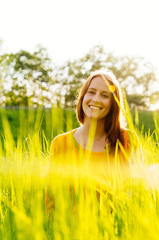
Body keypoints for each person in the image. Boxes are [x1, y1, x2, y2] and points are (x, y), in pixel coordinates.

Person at [45, 69, 143, 216]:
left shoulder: (128, 141)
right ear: (83, 97)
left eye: (104, 95)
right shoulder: (61, 143)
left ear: (113, 103)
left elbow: (139, 195)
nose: (96, 99)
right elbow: (51, 202)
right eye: (91, 92)